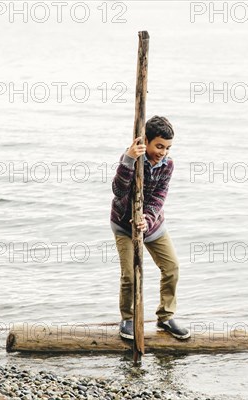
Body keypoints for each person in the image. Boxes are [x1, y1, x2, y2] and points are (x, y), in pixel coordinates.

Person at [110, 115, 190, 340]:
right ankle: (128, 318)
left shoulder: (168, 165)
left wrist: (147, 219)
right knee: (130, 275)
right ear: (146, 140)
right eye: (159, 146)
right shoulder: (131, 158)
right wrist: (127, 160)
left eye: (168, 147)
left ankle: (165, 317)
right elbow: (118, 191)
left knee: (172, 266)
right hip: (124, 224)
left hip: (153, 225)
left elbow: (158, 197)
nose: (163, 152)